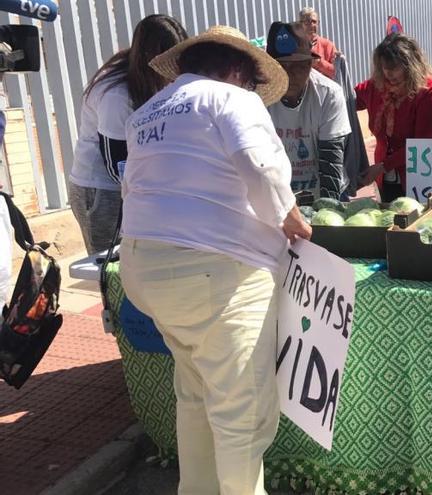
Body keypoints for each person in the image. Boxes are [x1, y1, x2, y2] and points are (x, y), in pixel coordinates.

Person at [118, 25, 311, 494]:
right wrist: (290, 219)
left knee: (196, 393)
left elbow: (136, 187)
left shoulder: (146, 112)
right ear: (236, 71)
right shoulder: (230, 98)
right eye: (251, 83)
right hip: (216, 272)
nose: (251, 92)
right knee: (240, 412)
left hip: (145, 266)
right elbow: (258, 164)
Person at [68, 15, 187, 254]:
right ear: (150, 59)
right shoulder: (117, 95)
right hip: (102, 191)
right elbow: (117, 166)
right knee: (111, 268)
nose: (173, 70)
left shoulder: (150, 80)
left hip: (135, 185)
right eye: (168, 61)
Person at [266, 21, 351, 200]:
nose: (291, 74)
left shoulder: (328, 94)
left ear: (310, 64)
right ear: (271, 67)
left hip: (325, 188)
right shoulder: (257, 98)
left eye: (299, 65)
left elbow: (331, 161)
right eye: (283, 66)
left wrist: (327, 211)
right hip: (278, 196)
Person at [356, 33, 432, 201]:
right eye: (384, 67)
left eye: (394, 67)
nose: (388, 73)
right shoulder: (376, 86)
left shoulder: (428, 91)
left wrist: (382, 167)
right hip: (384, 176)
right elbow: (346, 100)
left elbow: (422, 144)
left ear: (410, 65)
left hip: (417, 176)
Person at [299, 7, 338, 79]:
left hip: (324, 89)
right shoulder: (294, 46)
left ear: (318, 23)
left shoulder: (328, 45)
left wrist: (319, 63)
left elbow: (337, 73)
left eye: (314, 21)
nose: (311, 26)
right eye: (307, 22)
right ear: (300, 25)